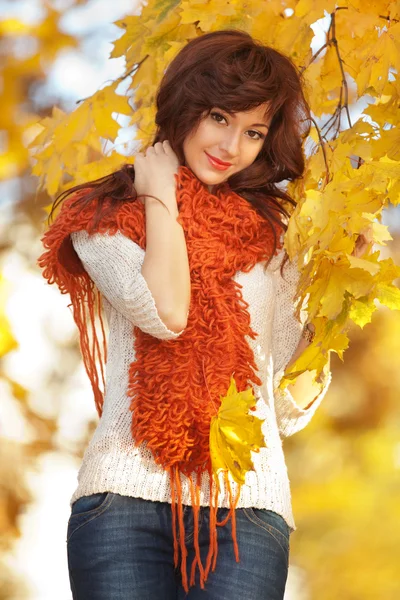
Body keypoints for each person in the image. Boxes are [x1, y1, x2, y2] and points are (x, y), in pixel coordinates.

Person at [39, 29, 333, 600]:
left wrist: (332, 309)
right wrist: (159, 200)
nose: (233, 146)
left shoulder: (276, 240)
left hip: (247, 505)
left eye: (253, 132)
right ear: (185, 106)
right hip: (124, 500)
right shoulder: (103, 217)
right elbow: (168, 312)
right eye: (220, 117)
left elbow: (283, 407)